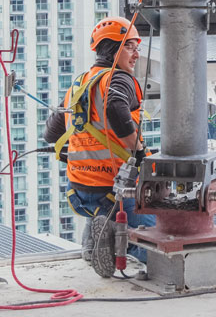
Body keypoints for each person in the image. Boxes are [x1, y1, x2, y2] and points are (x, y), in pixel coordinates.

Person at [43, 16, 156, 264]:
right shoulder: (118, 79)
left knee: (104, 213)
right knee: (152, 245)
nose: (136, 54)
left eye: (137, 47)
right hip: (116, 187)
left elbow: (51, 134)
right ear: (113, 48)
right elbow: (115, 109)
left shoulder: (79, 84)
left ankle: (95, 240)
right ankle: (114, 242)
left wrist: (80, 150)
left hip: (81, 188)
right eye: (130, 46)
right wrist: (138, 151)